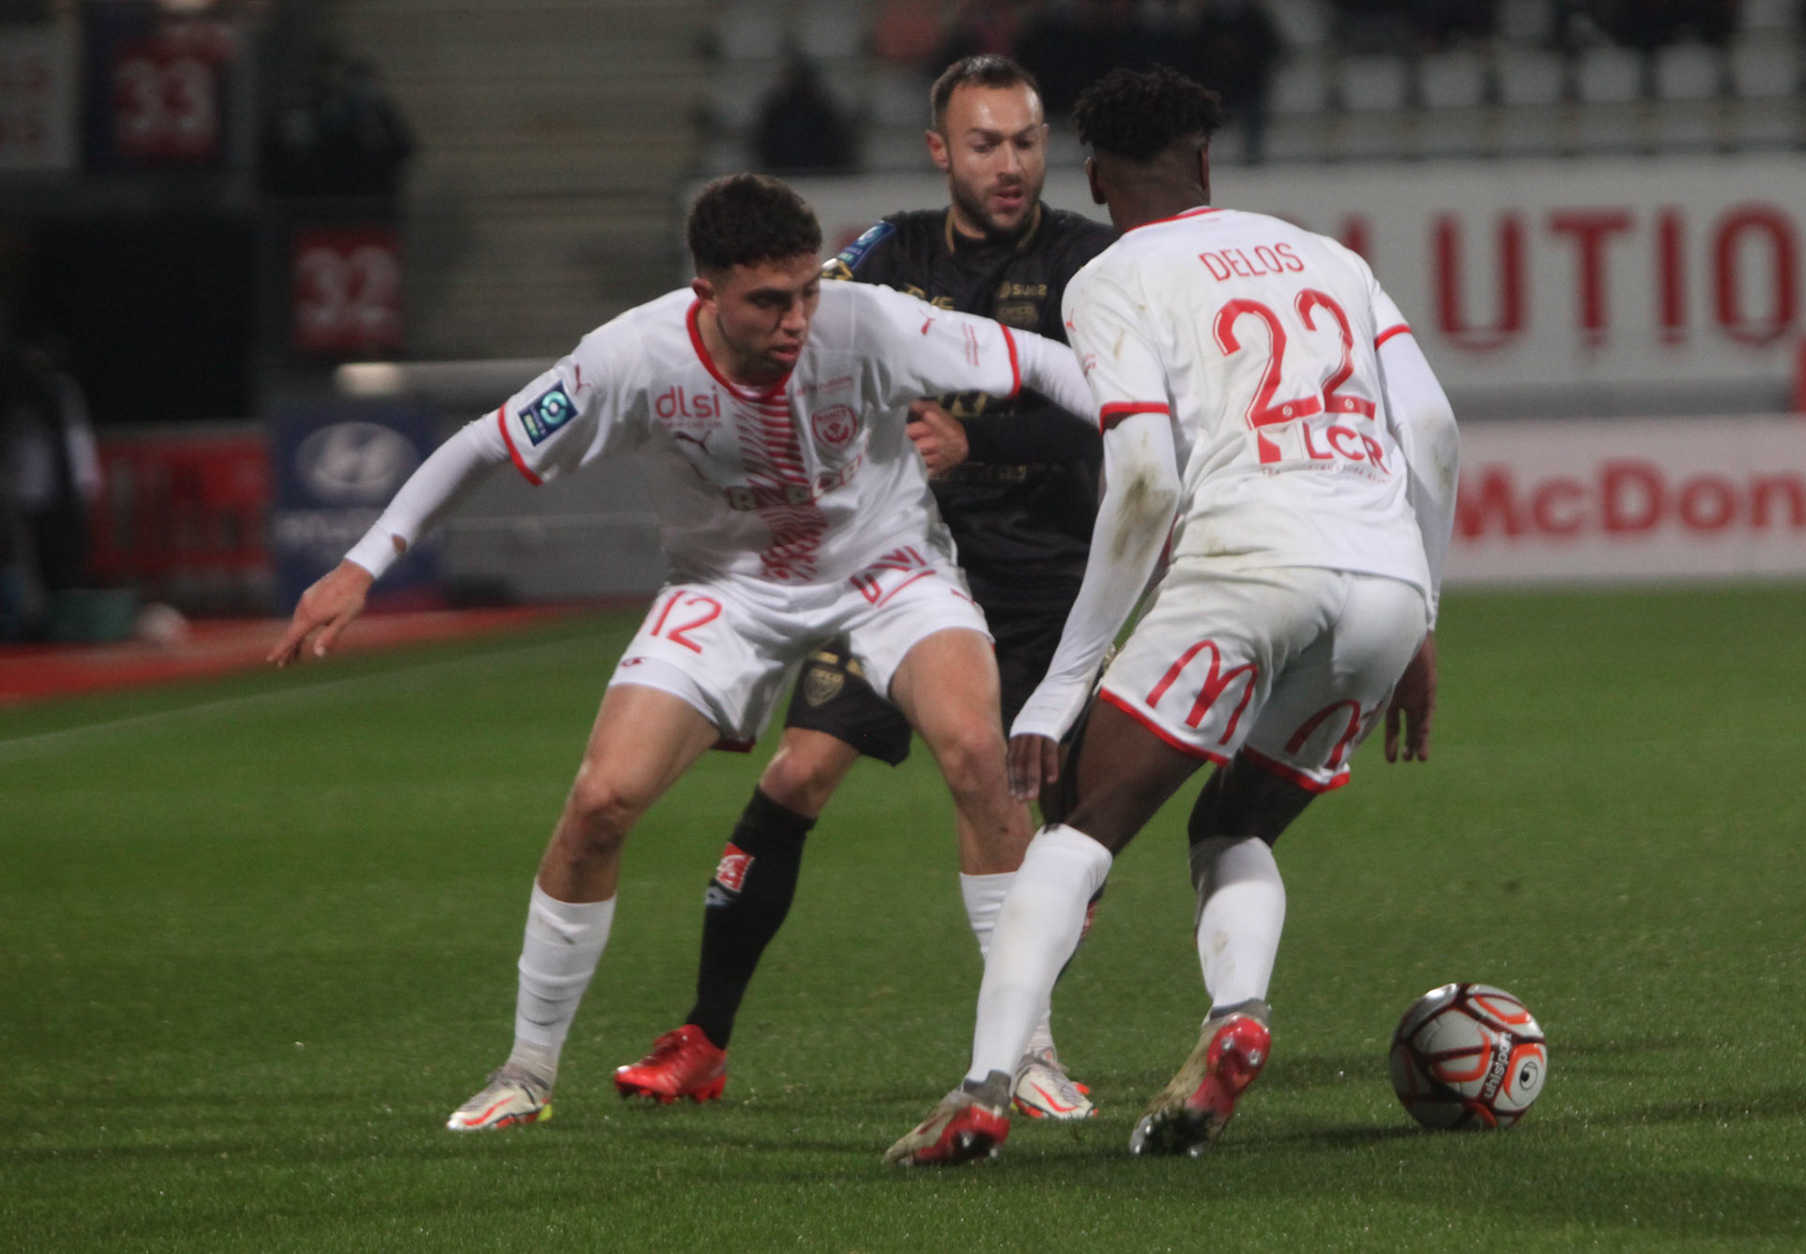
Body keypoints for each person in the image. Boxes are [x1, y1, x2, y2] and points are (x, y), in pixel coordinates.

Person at [268, 172, 1100, 1132]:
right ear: (706, 291)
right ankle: (526, 1072)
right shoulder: (631, 356)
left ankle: (1028, 1051)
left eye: (807, 291)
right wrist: (362, 564)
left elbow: (1042, 361)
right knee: (599, 803)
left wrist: (1154, 428)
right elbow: (485, 445)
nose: (797, 319)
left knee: (978, 755)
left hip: (888, 568)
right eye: (769, 300)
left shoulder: (868, 321)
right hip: (728, 590)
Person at [887, 67, 1460, 1165]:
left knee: (1076, 830)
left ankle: (984, 1089)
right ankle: (1236, 1015)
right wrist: (1422, 610)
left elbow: (1145, 477)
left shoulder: (1109, 277)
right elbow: (1431, 432)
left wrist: (1063, 686)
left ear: (1095, 178)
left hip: (1246, 562)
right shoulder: (1329, 256)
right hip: (1383, 579)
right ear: (1204, 159)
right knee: (1233, 826)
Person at [614, 54, 1117, 1122]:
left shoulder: (1088, 262)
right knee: (799, 772)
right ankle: (703, 1037)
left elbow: (1117, 406)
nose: (1009, 164)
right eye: (984, 144)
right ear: (941, 151)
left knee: (1046, 824)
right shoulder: (888, 252)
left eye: (1026, 141)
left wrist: (977, 443)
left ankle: (1028, 1048)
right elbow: (789, 334)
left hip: (1049, 583)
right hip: (907, 575)